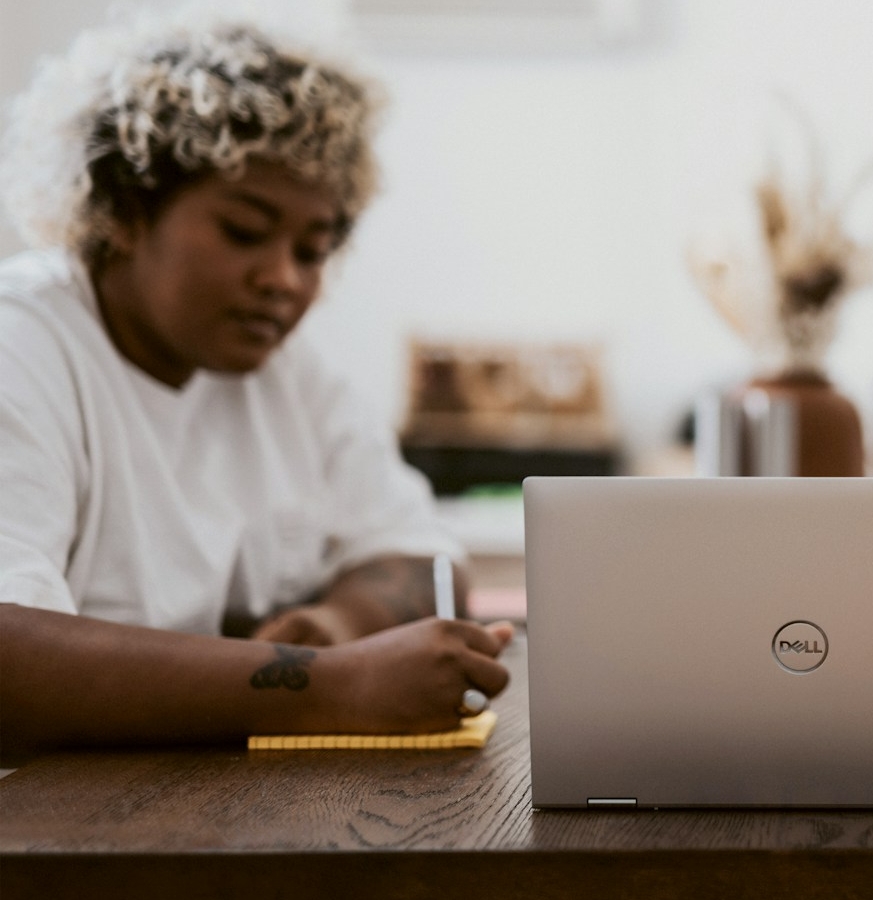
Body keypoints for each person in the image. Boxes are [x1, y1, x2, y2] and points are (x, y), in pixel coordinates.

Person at [0, 16, 513, 760]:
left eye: (315, 249)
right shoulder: (24, 345)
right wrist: (331, 684)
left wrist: (339, 622)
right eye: (244, 231)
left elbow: (423, 559)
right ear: (124, 212)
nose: (285, 280)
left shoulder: (287, 375)